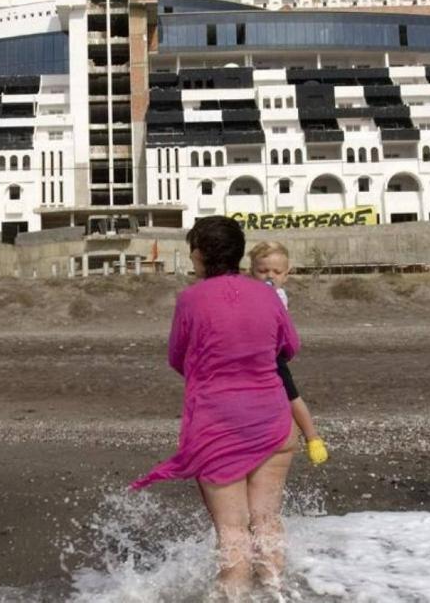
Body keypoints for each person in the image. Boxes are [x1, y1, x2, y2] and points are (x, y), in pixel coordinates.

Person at [132, 216, 300, 595]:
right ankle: (277, 592)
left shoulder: (190, 299)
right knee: (267, 523)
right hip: (274, 419)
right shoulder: (268, 294)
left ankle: (235, 596)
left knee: (233, 532)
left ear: (200, 253)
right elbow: (290, 347)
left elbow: (177, 358)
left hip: (218, 428)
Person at [248, 241, 328, 466]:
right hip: (250, 356)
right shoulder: (249, 291)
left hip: (273, 355)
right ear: (251, 271)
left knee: (291, 395)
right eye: (262, 271)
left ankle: (312, 437)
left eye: (276, 272)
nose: (269, 276)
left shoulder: (279, 295)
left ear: (286, 274)